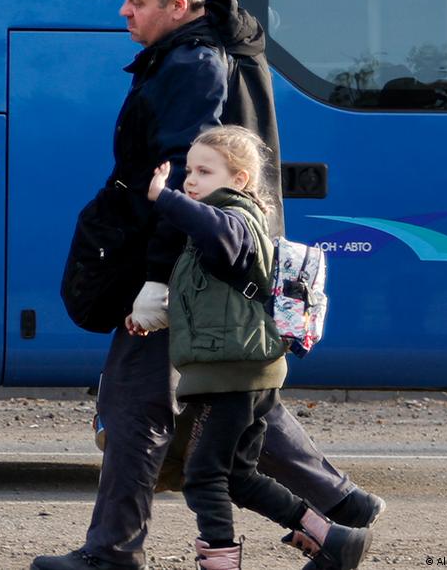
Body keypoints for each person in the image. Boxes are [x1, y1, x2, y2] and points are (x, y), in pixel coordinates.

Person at [33, 0, 381, 570]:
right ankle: (344, 510)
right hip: (210, 271)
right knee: (234, 393)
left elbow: (182, 184)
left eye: (135, 1)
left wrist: (159, 282)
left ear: (178, 2)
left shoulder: (194, 66)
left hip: (191, 271)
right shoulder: (199, 54)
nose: (123, 12)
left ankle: (113, 553)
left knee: (135, 406)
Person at [144, 126, 371, 570]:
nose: (191, 180)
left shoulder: (235, 220)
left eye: (205, 171)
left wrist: (165, 198)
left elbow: (219, 234)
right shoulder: (217, 225)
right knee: (240, 477)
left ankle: (220, 563)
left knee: (203, 474)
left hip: (232, 374)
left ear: (241, 180)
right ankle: (333, 539)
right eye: (189, 171)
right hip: (238, 369)